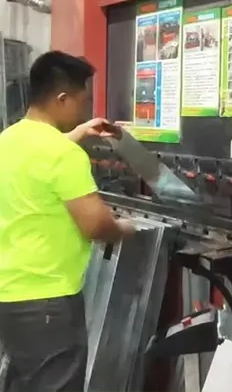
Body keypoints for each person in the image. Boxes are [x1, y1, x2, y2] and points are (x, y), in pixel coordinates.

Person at [0, 51, 136, 392]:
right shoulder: (64, 155)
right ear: (62, 99)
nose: (85, 110)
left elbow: (38, 157)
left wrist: (77, 132)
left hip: (10, 297)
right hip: (49, 303)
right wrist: (123, 229)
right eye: (82, 101)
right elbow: (96, 226)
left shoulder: (8, 140)